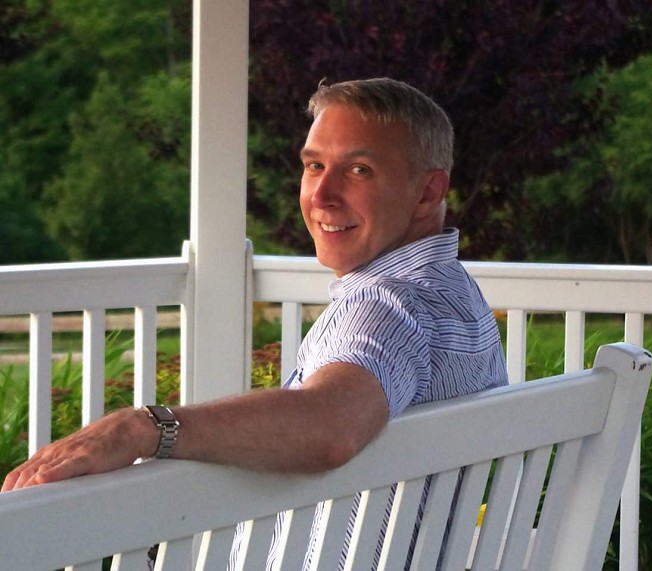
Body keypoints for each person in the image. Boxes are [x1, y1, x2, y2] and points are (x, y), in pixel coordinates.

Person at [2, 77, 508, 565]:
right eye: (314, 166)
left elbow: (331, 423)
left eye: (359, 170)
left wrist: (143, 427)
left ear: (427, 193)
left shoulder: (387, 305)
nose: (322, 195)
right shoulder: (453, 292)